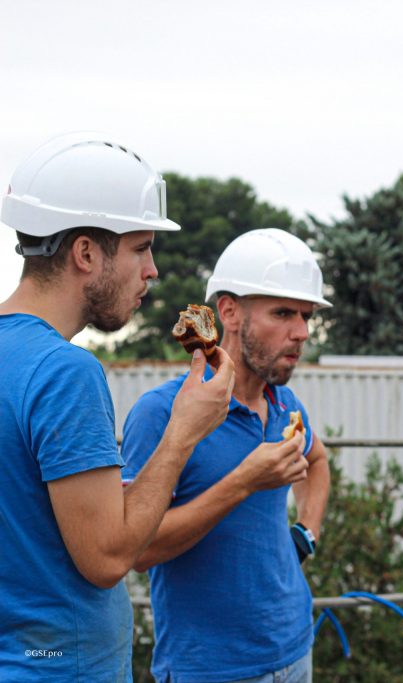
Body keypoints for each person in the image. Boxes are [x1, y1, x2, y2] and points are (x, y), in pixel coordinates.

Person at [0, 133, 234, 680]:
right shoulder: (65, 372)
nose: (152, 270)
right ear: (85, 253)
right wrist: (183, 431)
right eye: (140, 247)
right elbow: (105, 558)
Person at [121, 228, 332, 683]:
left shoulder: (285, 404)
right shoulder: (162, 413)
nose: (301, 332)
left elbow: (318, 462)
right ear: (229, 312)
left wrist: (306, 535)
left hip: (296, 649)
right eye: (283, 313)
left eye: (306, 315)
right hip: (211, 668)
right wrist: (244, 481)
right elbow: (138, 550)